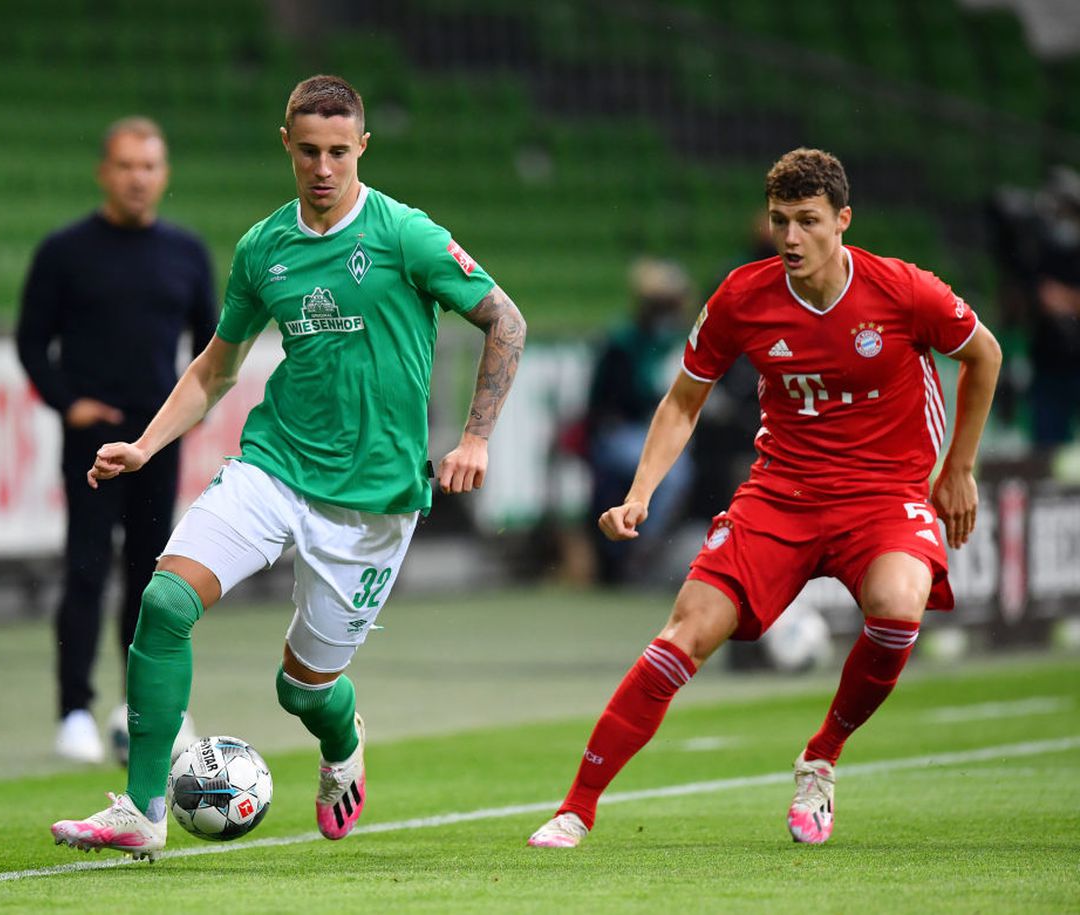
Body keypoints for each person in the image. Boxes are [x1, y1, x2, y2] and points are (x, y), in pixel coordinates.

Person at [50, 75, 526, 860]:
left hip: (374, 502)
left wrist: (476, 438)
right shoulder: (264, 248)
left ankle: (342, 741)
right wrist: (146, 444)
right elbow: (215, 368)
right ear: (286, 145)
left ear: (362, 146)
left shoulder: (405, 234)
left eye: (339, 151)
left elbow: (505, 319)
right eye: (308, 151)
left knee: (300, 688)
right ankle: (142, 808)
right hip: (275, 466)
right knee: (164, 602)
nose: (323, 167)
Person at [527, 148, 1002, 848]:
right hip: (781, 495)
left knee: (898, 607)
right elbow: (683, 401)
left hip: (883, 495)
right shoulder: (743, 297)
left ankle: (821, 756)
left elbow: (984, 353)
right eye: (780, 220)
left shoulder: (903, 290)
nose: (791, 237)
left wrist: (959, 468)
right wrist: (639, 493)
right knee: (685, 633)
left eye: (808, 220)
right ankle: (576, 808)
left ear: (842, 220)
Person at [17, 117, 216, 765]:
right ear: (105, 172)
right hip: (93, 442)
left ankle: (140, 707)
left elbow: (212, 344)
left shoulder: (186, 252)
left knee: (151, 575)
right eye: (126, 165)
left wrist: (186, 415)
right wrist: (68, 403)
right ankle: (73, 709)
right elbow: (31, 341)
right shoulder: (65, 251)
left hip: (154, 442)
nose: (138, 178)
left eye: (149, 166)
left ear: (164, 175)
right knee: (86, 568)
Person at [584, 258, 694, 584]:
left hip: (653, 427)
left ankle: (654, 545)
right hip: (620, 430)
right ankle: (641, 548)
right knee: (673, 474)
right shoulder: (623, 342)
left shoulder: (675, 341)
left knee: (688, 464)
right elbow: (611, 398)